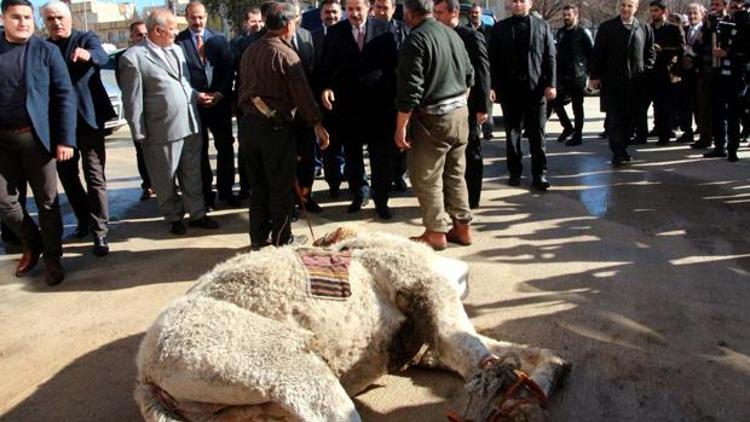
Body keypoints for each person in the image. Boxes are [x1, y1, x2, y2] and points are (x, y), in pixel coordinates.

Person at [237, 2, 329, 249]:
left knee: (258, 187)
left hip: (248, 128)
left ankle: (258, 239)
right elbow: (303, 96)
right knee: (279, 188)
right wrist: (317, 124)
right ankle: (281, 239)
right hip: (273, 131)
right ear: (288, 25)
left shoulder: (251, 49)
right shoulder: (286, 54)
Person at [119, 8, 219, 235]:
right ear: (157, 30)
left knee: (192, 173)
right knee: (164, 177)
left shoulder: (177, 50)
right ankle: (173, 216)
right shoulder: (133, 58)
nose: (177, 32)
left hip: (190, 123)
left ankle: (197, 214)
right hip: (160, 130)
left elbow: (181, 83)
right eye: (172, 28)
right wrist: (139, 133)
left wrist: (195, 95)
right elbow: (132, 101)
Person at [0, 0, 76, 285]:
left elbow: (64, 96)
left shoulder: (46, 51)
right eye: (16, 17)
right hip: (2, 141)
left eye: (28, 18)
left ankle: (53, 258)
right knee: (5, 202)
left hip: (37, 140)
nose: (23, 23)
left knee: (48, 202)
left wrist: (66, 139)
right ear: (3, 18)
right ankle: (32, 242)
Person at [395, 0, 474, 250]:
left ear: (409, 11)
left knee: (426, 176)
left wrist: (401, 126)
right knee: (455, 174)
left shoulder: (416, 40)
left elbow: (410, 90)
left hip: (434, 118)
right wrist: (459, 104)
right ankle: (462, 228)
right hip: (460, 114)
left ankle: (435, 232)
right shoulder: (452, 34)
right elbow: (470, 75)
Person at [42, 1, 115, 256]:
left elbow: (103, 56)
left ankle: (100, 233)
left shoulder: (86, 38)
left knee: (95, 177)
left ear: (70, 18)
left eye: (60, 17)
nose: (56, 23)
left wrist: (89, 55)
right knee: (68, 178)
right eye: (50, 19)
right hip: (60, 127)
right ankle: (84, 219)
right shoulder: (44, 48)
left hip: (88, 121)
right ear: (45, 22)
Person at [320, 0, 400, 218]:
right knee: (353, 155)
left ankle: (381, 199)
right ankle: (359, 193)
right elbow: (326, 65)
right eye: (350, 9)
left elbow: (395, 66)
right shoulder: (336, 32)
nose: (354, 14)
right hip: (348, 106)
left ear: (369, 8)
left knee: (380, 156)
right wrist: (326, 87)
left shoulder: (385, 29)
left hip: (379, 106)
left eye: (359, 9)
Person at [176, 1, 239, 208]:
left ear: (206, 16)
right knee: (199, 150)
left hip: (219, 104)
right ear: (187, 17)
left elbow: (228, 68)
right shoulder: (179, 42)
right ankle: (206, 194)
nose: (197, 21)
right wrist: (195, 95)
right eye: (193, 17)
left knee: (225, 147)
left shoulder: (219, 38)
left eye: (201, 17)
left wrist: (221, 93)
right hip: (194, 105)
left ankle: (226, 190)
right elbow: (178, 76)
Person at [488, 0, 556, 190]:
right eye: (514, 1)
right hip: (510, 91)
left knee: (538, 134)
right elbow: (492, 59)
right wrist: (492, 87)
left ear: (530, 4)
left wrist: (551, 84)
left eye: (522, 1)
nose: (517, 4)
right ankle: (515, 171)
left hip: (536, 90)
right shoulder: (500, 28)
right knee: (512, 133)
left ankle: (539, 173)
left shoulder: (542, 26)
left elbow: (550, 56)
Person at [433, 0, 490, 209]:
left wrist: (483, 107)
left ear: (454, 12)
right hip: (446, 108)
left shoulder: (471, 36)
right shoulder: (437, 35)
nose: (436, 16)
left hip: (470, 106)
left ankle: (472, 198)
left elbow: (483, 72)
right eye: (434, 12)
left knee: (472, 153)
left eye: (440, 12)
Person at [591, 0, 656, 166]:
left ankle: (623, 148)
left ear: (636, 8)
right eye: (623, 5)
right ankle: (618, 152)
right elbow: (598, 53)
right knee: (615, 119)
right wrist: (595, 76)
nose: (625, 9)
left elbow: (650, 53)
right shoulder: (607, 27)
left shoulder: (644, 28)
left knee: (630, 118)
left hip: (636, 83)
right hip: (613, 82)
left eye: (629, 6)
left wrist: (645, 69)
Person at [703, 0, 750, 162]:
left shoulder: (746, 23)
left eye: (739, 4)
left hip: (737, 75)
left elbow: (745, 52)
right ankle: (719, 146)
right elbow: (712, 40)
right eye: (733, 4)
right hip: (720, 74)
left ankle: (732, 148)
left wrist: (728, 54)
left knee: (734, 114)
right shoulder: (726, 23)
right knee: (717, 111)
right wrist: (711, 26)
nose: (735, 8)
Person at [372, 0, 410, 193]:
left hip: (397, 94)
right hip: (375, 96)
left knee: (400, 141)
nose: (381, 11)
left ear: (394, 9)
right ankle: (381, 182)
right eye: (378, 7)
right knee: (379, 146)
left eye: (385, 7)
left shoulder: (403, 29)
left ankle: (399, 174)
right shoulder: (368, 29)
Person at [288, 0, 323, 214]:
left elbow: (312, 72)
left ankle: (306, 196)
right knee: (288, 159)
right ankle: (291, 202)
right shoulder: (271, 40)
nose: (296, 20)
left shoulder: (306, 35)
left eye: (298, 15)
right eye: (292, 16)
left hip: (305, 111)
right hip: (283, 113)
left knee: (308, 157)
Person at [115, 21, 154, 201]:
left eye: (146, 33)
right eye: (139, 34)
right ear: (132, 37)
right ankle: (148, 184)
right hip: (139, 114)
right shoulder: (125, 58)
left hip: (159, 115)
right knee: (142, 151)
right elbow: (127, 90)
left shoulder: (157, 54)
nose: (143, 37)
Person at [310, 0, 345, 199]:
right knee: (328, 146)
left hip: (347, 100)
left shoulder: (349, 32)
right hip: (322, 101)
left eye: (334, 12)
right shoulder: (311, 37)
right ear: (320, 14)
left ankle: (351, 178)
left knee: (349, 146)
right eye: (327, 12)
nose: (331, 16)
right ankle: (334, 184)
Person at [549, 5, 593, 147]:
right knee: (554, 101)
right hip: (562, 76)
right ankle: (567, 127)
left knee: (577, 107)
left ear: (576, 15)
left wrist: (590, 75)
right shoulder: (560, 32)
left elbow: (591, 54)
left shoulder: (582, 32)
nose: (566, 17)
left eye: (569, 15)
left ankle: (578, 135)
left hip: (578, 75)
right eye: (565, 15)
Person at [645, 0, 685, 145]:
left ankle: (666, 133)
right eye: (652, 11)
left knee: (667, 104)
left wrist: (663, 49)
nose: (653, 13)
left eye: (656, 10)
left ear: (663, 11)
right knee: (656, 104)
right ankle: (657, 129)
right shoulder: (648, 28)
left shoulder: (674, 28)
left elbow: (681, 48)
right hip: (652, 71)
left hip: (668, 72)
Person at [680, 3, 712, 147]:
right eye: (690, 13)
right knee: (685, 103)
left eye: (695, 13)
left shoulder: (706, 31)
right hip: (686, 73)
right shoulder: (684, 30)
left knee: (701, 106)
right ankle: (687, 132)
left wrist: (694, 56)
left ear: (702, 15)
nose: (692, 16)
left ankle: (704, 133)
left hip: (700, 73)